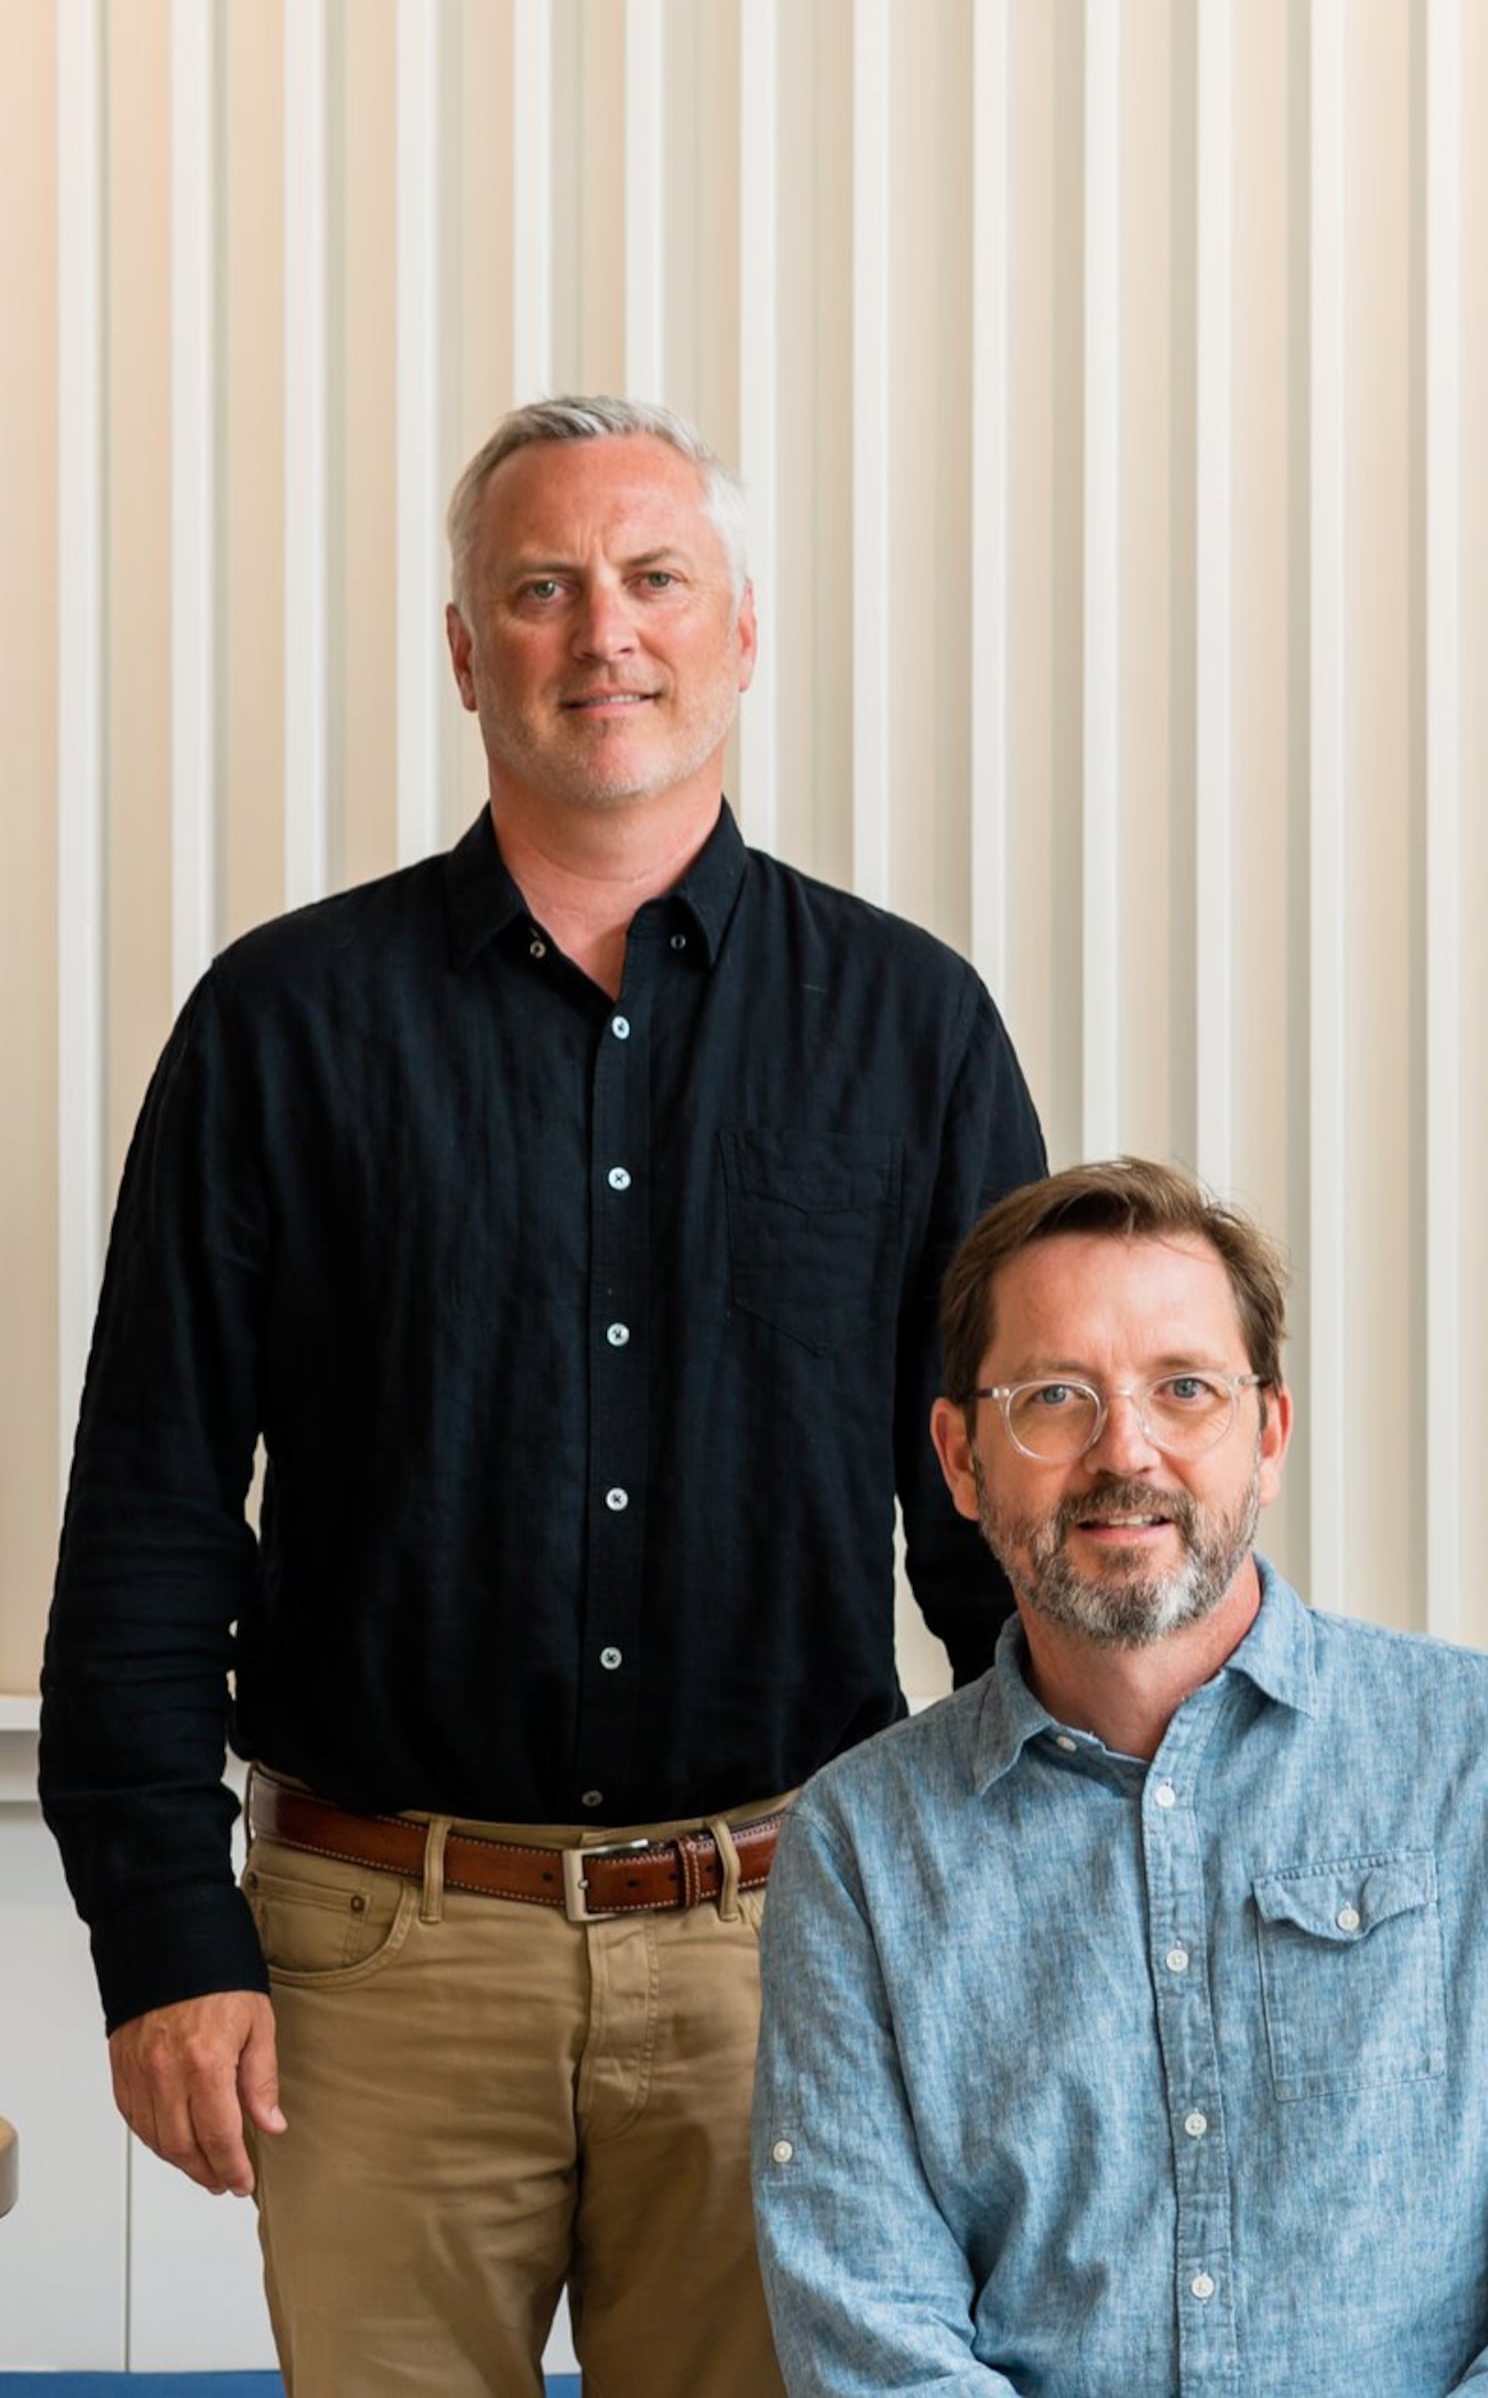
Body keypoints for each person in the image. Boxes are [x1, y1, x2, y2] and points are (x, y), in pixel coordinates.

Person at [38, 395, 1047, 2396]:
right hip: (371, 1960)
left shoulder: (912, 1025)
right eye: (542, 586)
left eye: (657, 577)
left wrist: (1042, 1916)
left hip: (793, 1949)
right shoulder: (282, 1024)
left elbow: (998, 1511)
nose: (608, 631)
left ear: (740, 629)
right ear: (463, 645)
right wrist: (162, 1931)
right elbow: (154, 1500)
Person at [750, 1157, 1488, 2393]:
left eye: (1184, 1387)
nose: (1122, 1451)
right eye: (1052, 1395)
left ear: (1267, 1433)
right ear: (962, 1457)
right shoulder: (859, 1844)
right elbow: (869, 2325)